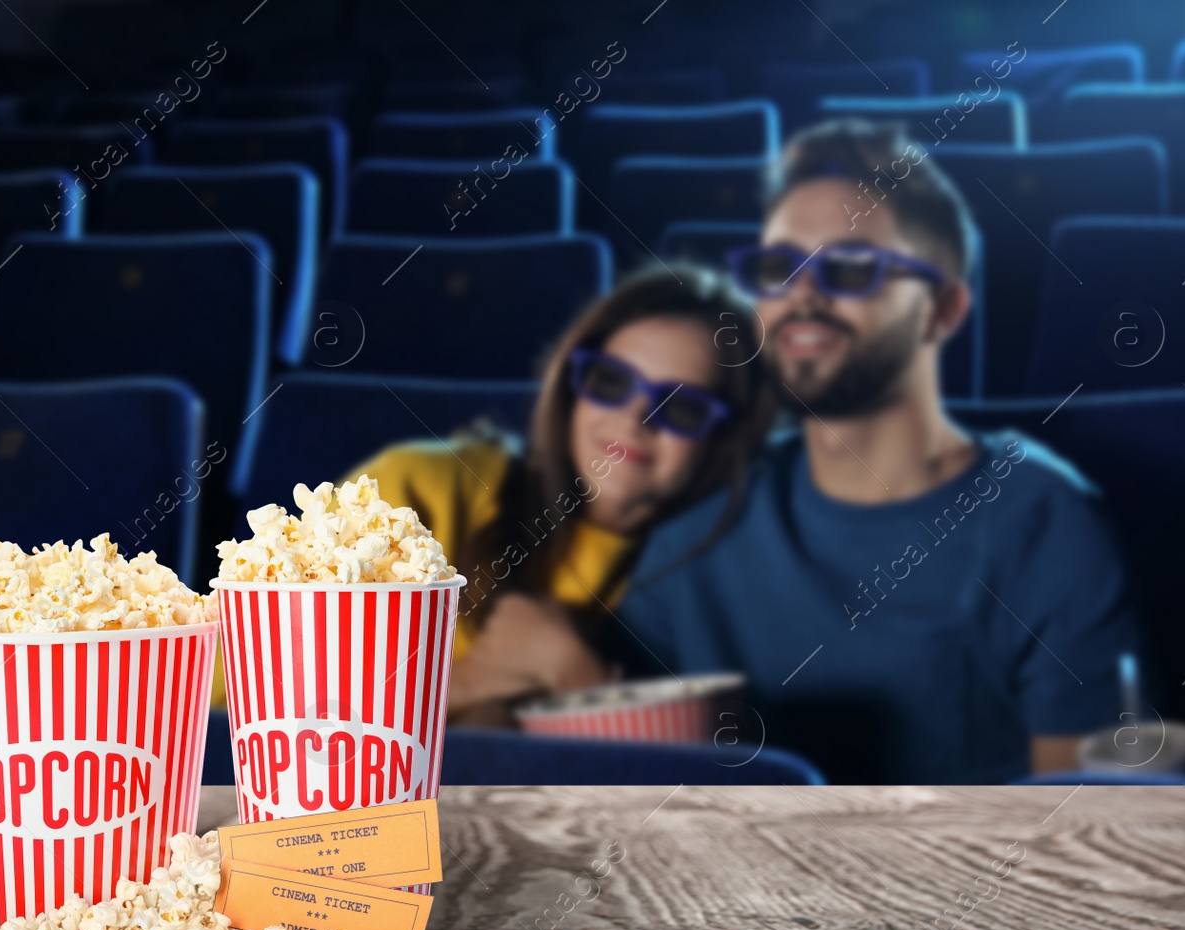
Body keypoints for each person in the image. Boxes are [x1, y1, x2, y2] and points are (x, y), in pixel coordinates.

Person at [611, 120, 1143, 783]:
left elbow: (1080, 835)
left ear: (942, 310)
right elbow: (614, 771)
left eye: (852, 268)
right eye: (777, 268)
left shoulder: (1042, 521)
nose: (802, 293)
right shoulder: (704, 506)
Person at [350, 267, 775, 724]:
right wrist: (472, 686)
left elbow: (701, 783)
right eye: (611, 382)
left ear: (727, 438)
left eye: (683, 407)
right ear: (574, 391)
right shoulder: (417, 487)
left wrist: (575, 675)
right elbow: (288, 703)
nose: (637, 416)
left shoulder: (723, 585)